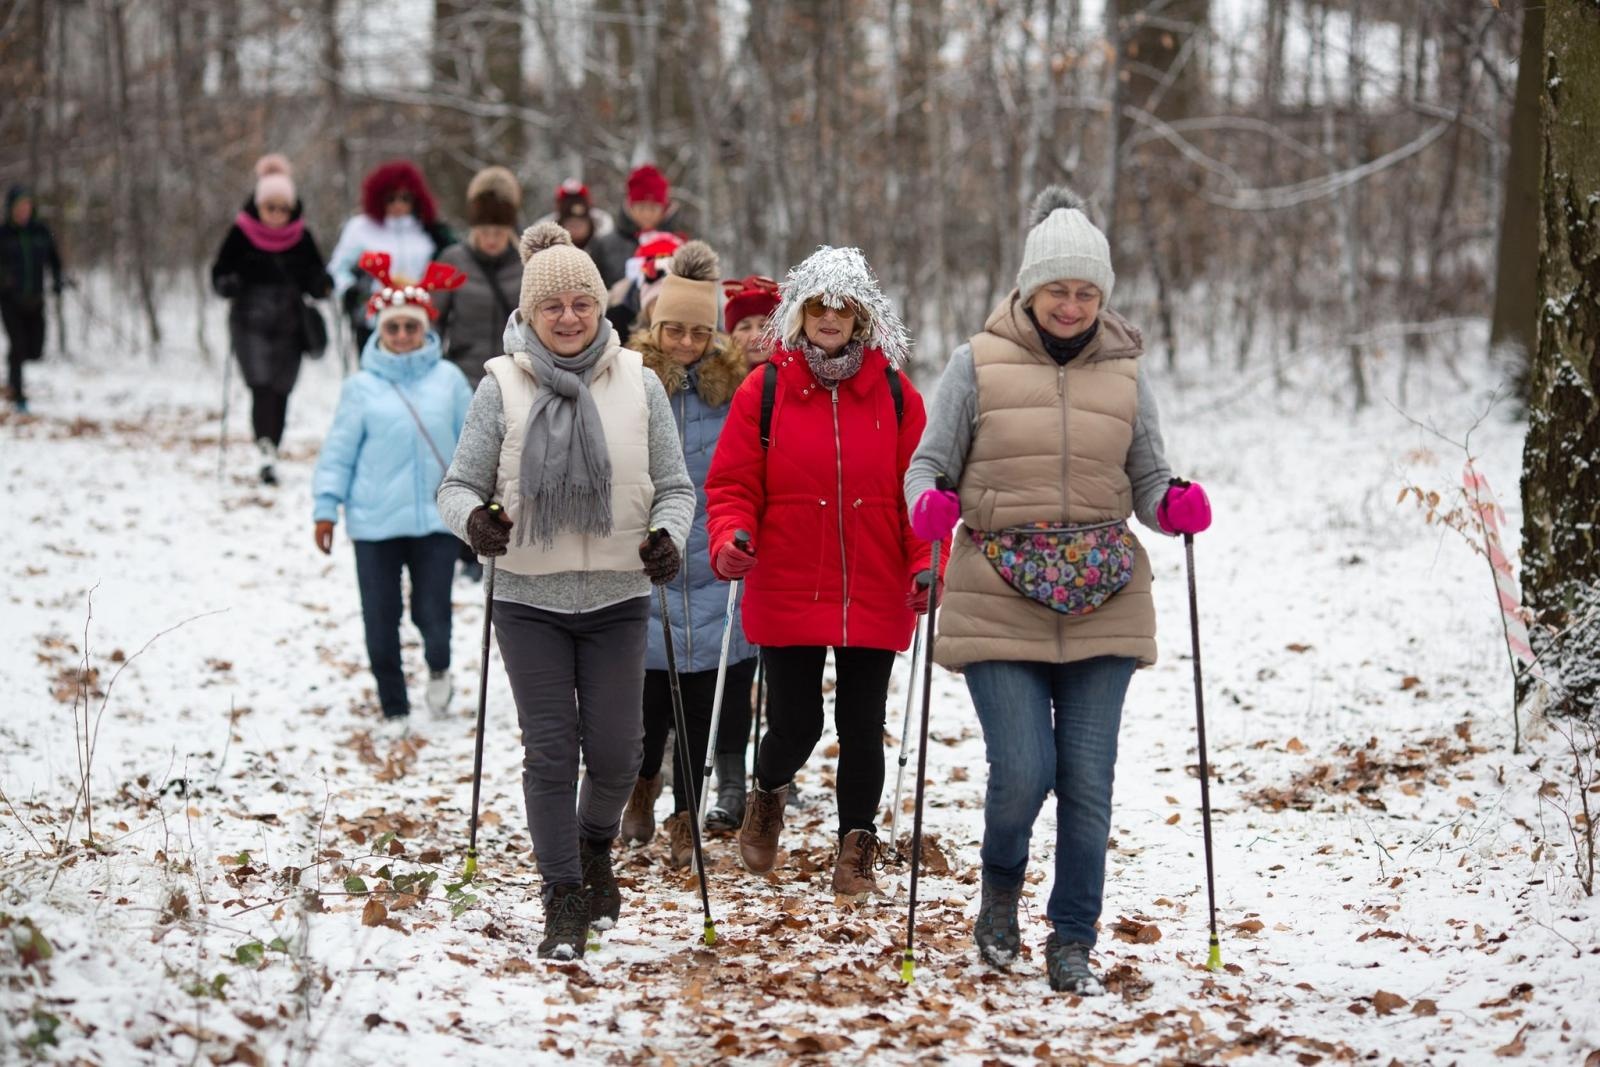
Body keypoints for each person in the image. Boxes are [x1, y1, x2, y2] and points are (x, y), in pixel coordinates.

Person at [903, 187, 1212, 995]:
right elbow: (927, 465)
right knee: (1023, 770)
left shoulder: (1127, 370)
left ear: (1102, 297)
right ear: (1029, 290)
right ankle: (999, 883)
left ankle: (1072, 935)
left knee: (1088, 778)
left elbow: (1145, 476)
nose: (1071, 305)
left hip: (1104, 591)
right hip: (999, 590)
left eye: (1086, 292)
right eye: (1058, 290)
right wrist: (928, 504)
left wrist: (1172, 502)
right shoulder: (976, 363)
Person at [435, 222, 695, 960]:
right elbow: (457, 486)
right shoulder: (501, 384)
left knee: (619, 753)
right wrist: (474, 523)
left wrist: (667, 536)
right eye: (555, 306)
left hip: (617, 593)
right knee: (551, 751)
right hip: (527, 598)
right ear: (531, 312)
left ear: (600, 307)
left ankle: (592, 846)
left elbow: (674, 488)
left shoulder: (639, 382)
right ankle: (562, 895)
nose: (571, 316)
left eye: (583, 301)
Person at [704, 245, 928, 900]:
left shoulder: (893, 391)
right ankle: (767, 795)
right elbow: (733, 483)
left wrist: (925, 562)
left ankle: (855, 846)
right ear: (799, 314)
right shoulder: (765, 388)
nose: (830, 317)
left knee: (862, 724)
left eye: (843, 306)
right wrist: (730, 535)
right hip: (788, 578)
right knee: (797, 721)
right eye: (818, 305)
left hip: (873, 581)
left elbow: (918, 490)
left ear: (861, 316)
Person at [617, 241, 757, 864]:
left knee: (703, 702)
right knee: (647, 707)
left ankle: (685, 816)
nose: (685, 342)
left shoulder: (735, 391)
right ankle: (642, 788)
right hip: (647, 560)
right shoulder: (628, 381)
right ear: (655, 326)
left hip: (715, 564)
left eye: (699, 331)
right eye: (674, 329)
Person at [312, 253, 472, 731]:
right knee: (381, 619)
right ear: (380, 329)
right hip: (374, 522)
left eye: (411, 327)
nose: (403, 335)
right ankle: (394, 706)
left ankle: (439, 667)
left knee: (432, 614)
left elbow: (474, 444)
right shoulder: (361, 388)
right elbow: (338, 451)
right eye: (394, 327)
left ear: (426, 328)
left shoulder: (449, 381)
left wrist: (485, 501)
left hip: (436, 521)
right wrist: (326, 509)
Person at [210, 155, 333, 484]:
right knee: (261, 387)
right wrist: (229, 283)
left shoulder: (301, 236)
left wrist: (322, 285)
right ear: (258, 205)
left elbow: (316, 276)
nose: (277, 215)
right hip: (250, 322)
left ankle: (272, 446)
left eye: (283, 208)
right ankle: (265, 449)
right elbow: (219, 273)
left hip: (290, 325)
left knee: (281, 389)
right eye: (270, 207)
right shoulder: (241, 233)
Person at [327, 160, 455, 356]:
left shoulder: (428, 231)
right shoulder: (361, 228)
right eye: (391, 198)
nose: (398, 204)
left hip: (418, 320)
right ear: (379, 198)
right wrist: (353, 292)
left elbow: (451, 266)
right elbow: (337, 269)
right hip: (375, 322)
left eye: (405, 198)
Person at [433, 166, 524, 390]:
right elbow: (433, 319)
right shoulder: (451, 261)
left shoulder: (527, 263)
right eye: (484, 232)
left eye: (499, 233)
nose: (491, 240)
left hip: (516, 377)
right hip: (463, 377)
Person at [588, 164, 680, 338]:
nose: (646, 214)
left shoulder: (678, 244)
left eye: (653, 208)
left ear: (664, 209)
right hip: (618, 329)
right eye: (640, 207)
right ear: (630, 206)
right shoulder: (605, 244)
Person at [0, 184, 64, 414]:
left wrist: (58, 280)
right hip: (9, 301)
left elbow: (54, 261)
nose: (23, 211)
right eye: (19, 207)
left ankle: (12, 370)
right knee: (17, 346)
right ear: (11, 209)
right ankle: (17, 394)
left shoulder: (41, 232)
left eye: (27, 206)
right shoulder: (4, 234)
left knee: (35, 350)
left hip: (35, 299)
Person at [722, 274, 781, 372]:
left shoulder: (800, 380)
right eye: (745, 328)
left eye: (764, 326)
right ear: (731, 336)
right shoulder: (713, 383)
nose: (755, 337)